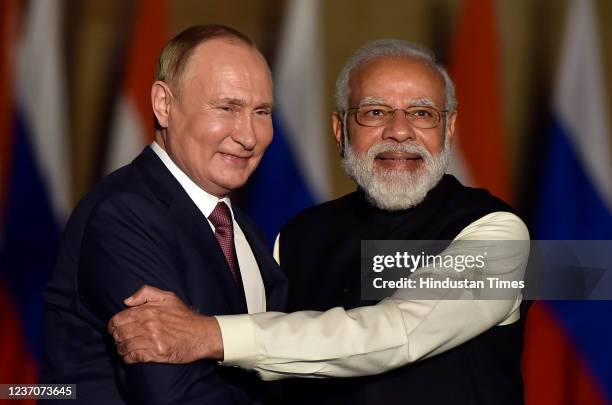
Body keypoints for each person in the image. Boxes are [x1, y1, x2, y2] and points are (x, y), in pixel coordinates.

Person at [108, 40, 530, 404]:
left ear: (449, 128)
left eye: (422, 114)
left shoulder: (497, 233)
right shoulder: (296, 238)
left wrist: (208, 335)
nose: (399, 132)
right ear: (340, 129)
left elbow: (397, 332)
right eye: (375, 111)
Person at [40, 25, 287, 404]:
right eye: (227, 108)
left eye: (261, 112)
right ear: (164, 105)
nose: (249, 136)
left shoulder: (242, 229)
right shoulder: (123, 214)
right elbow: (172, 393)